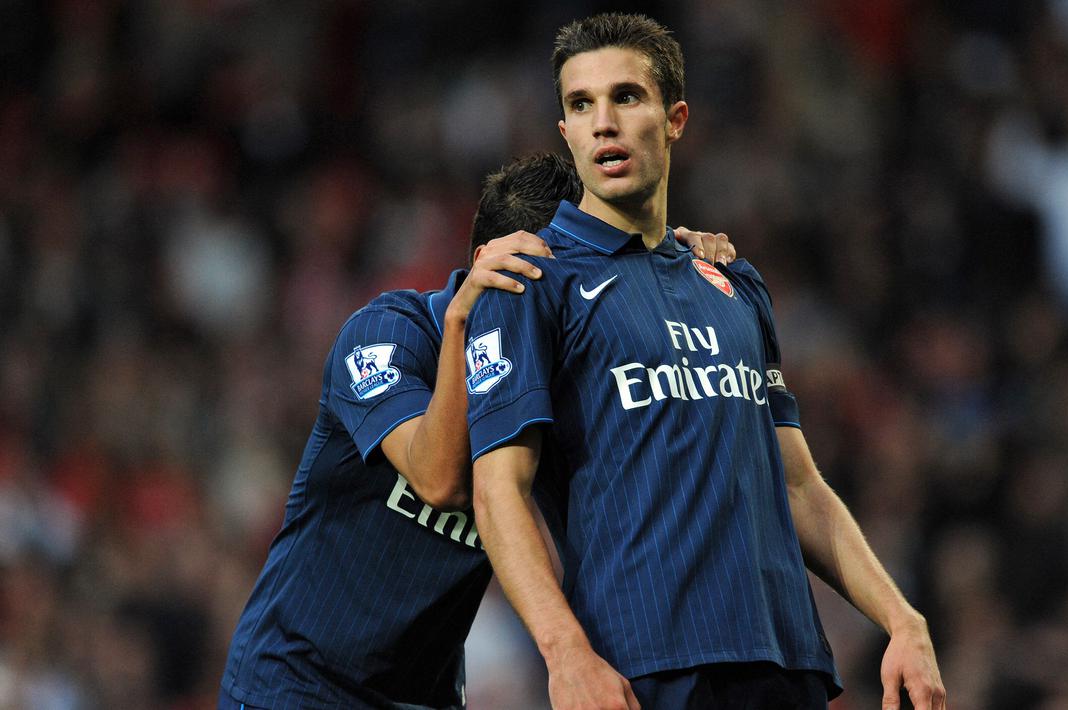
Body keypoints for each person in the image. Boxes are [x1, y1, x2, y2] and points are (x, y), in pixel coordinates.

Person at [465, 14, 945, 710]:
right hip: (642, 667)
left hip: (784, 660)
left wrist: (901, 619)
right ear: (565, 131)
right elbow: (497, 491)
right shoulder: (531, 278)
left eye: (626, 97)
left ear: (675, 119)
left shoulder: (733, 283)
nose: (603, 123)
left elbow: (798, 484)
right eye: (581, 105)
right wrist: (563, 650)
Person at [218, 151, 736, 710]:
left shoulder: (554, 386)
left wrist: (681, 277)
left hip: (426, 695)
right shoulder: (386, 337)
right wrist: (468, 321)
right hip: (295, 686)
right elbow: (439, 481)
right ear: (494, 266)